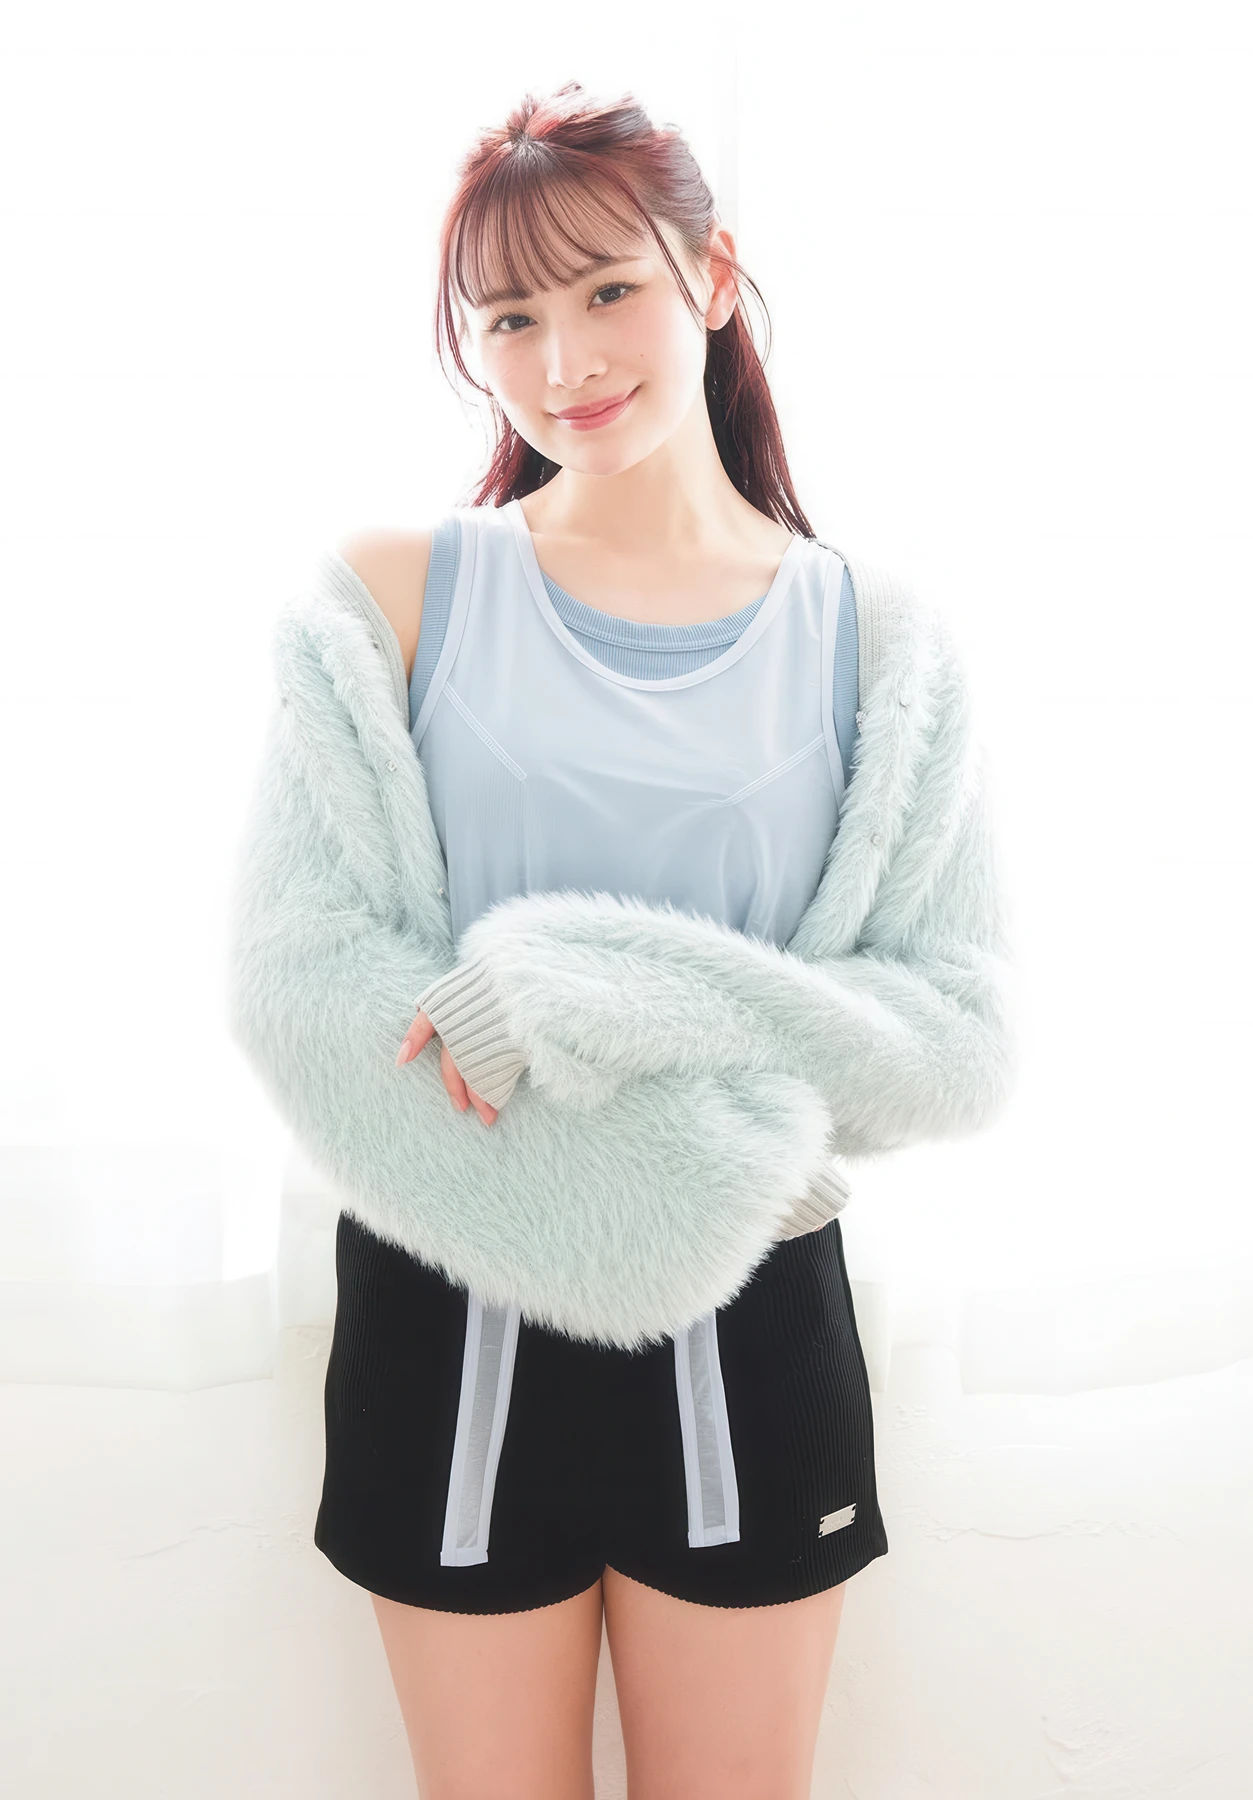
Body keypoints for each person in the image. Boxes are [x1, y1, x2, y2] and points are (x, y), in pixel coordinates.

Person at [318, 80, 894, 1800]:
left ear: (712, 276)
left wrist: (566, 1010)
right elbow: (317, 983)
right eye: (509, 317)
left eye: (607, 289)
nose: (561, 357)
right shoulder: (397, 595)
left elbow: (928, 1019)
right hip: (454, 1299)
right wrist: (722, 1068)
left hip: (748, 1292)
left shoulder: (864, 634)